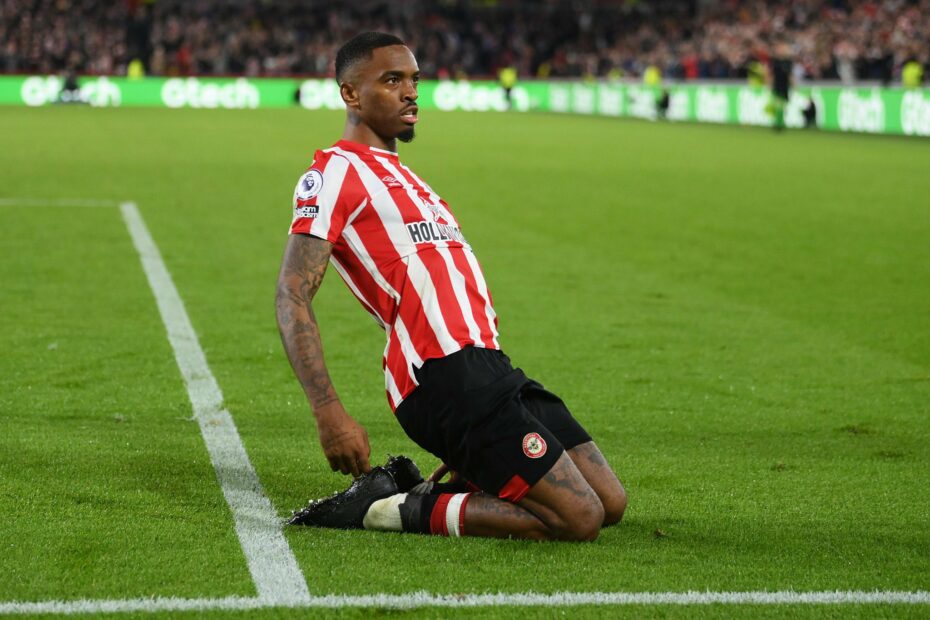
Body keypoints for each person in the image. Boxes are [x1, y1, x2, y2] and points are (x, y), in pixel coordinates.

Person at [276, 32, 627, 542]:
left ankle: (453, 480)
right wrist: (327, 410)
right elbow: (292, 293)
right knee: (579, 518)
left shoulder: (413, 182)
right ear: (350, 93)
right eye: (391, 80)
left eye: (414, 80)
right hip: (441, 375)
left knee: (610, 502)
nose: (410, 92)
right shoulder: (333, 174)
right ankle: (385, 509)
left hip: (491, 367)